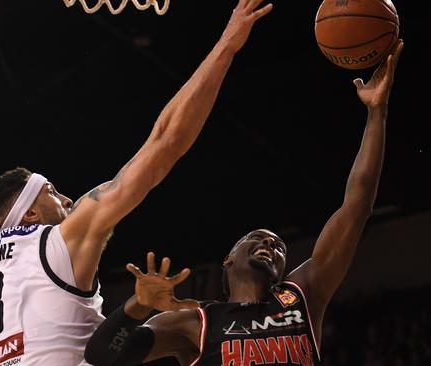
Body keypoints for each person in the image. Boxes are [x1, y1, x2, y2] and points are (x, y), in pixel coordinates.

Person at [0, 0, 274, 365]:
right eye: (52, 192)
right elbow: (164, 144)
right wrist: (227, 44)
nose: (67, 199)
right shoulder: (60, 239)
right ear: (31, 214)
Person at [84, 40, 405, 366]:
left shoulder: (301, 295)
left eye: (278, 246)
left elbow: (356, 207)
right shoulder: (195, 323)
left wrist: (376, 113)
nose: (270, 243)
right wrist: (137, 306)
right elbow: (102, 356)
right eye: (257, 239)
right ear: (228, 260)